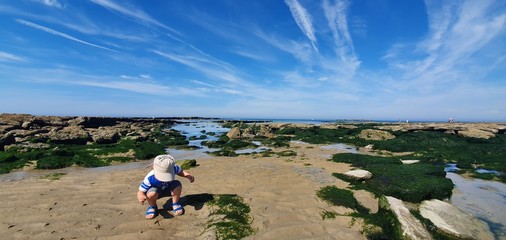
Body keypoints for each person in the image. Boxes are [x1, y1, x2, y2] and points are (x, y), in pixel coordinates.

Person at [137, 154, 195, 219]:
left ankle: (175, 203)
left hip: (169, 189)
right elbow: (141, 191)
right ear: (154, 167)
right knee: (150, 194)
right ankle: (153, 206)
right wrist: (141, 197)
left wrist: (188, 175)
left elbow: (181, 172)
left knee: (177, 184)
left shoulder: (173, 168)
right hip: (156, 192)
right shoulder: (150, 178)